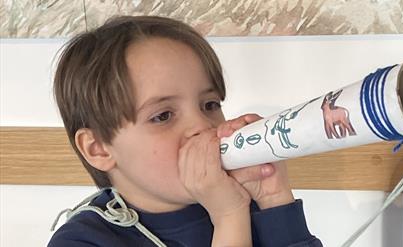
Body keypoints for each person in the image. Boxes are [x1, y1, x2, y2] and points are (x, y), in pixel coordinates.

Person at [48, 15, 323, 247]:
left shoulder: (243, 199)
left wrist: (275, 200)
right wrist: (229, 218)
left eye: (210, 104)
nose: (203, 126)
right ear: (98, 148)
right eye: (163, 116)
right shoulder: (82, 240)